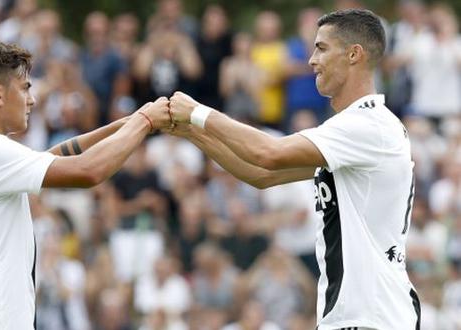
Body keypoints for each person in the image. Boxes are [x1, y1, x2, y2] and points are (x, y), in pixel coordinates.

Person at [168, 9, 420, 330]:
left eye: (322, 48)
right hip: (355, 316)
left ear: (354, 54)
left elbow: (268, 153)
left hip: (372, 317)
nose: (312, 60)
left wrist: (197, 112)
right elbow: (263, 176)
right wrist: (190, 132)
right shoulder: (355, 128)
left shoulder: (367, 124)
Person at [0, 39, 171, 330]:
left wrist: (124, 124)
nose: (32, 99)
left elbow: (50, 158)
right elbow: (90, 171)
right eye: (25, 87)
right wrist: (145, 123)